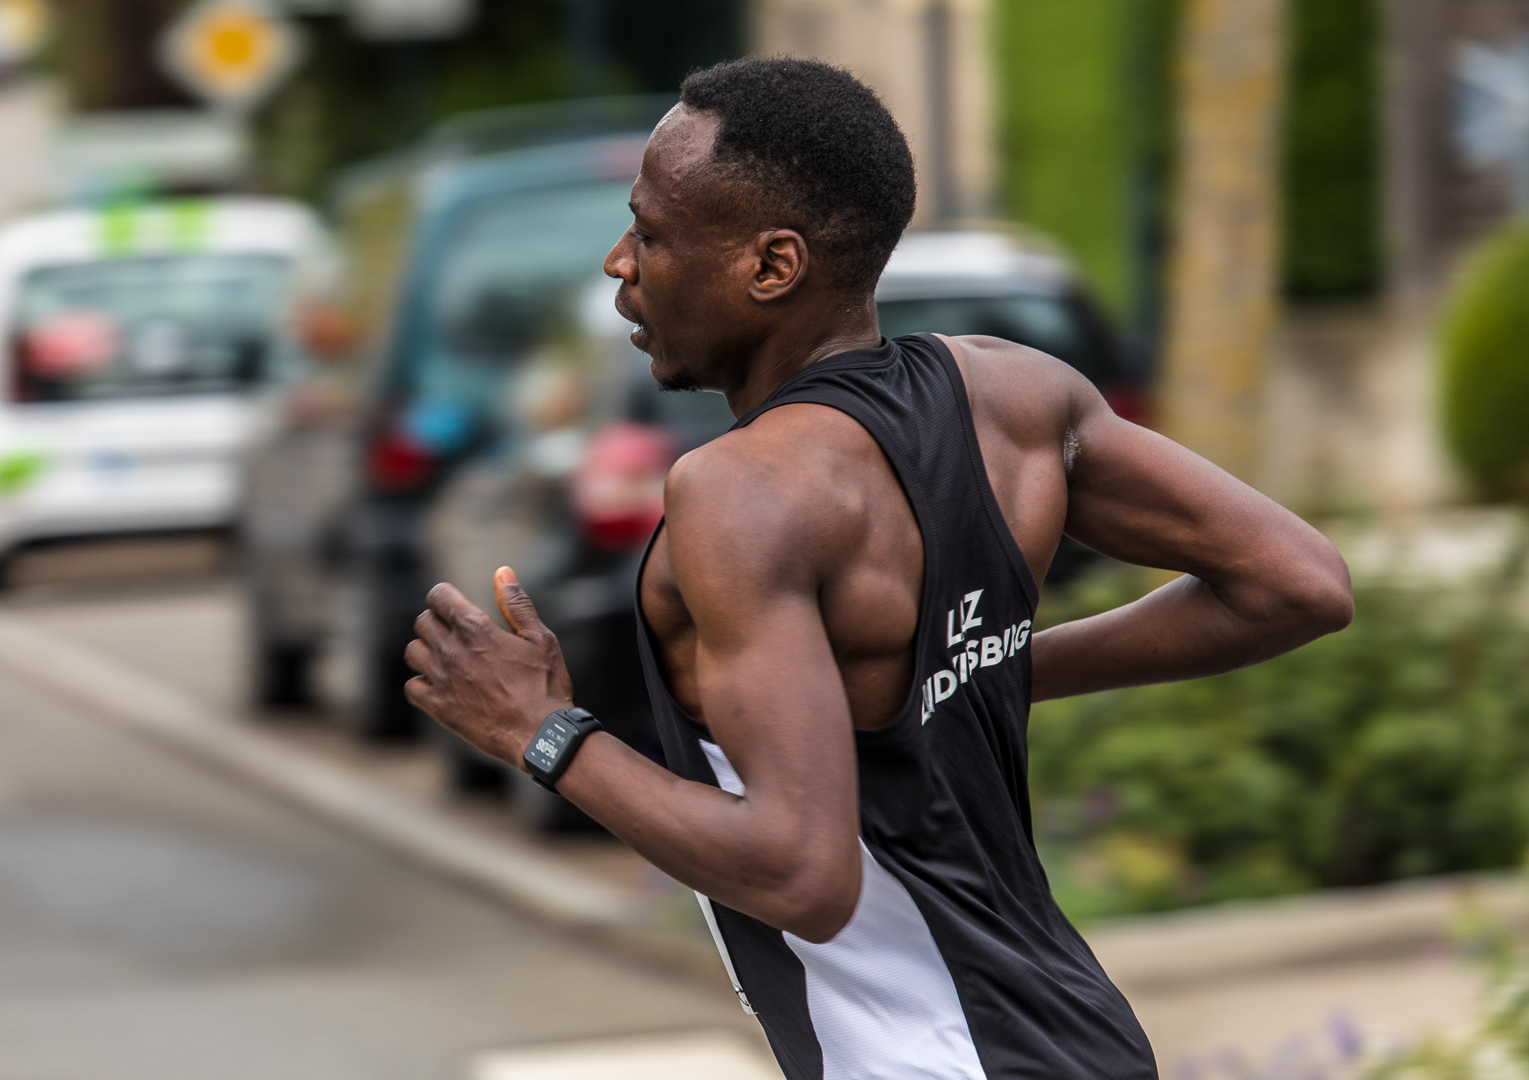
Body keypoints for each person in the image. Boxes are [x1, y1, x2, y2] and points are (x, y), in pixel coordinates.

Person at [403, 56, 1354, 1080]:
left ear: (773, 266)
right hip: (1083, 1039)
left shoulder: (740, 494)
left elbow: (801, 874)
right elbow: (1298, 583)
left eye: (652, 233)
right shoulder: (1016, 398)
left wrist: (542, 732)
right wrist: (985, 668)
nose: (618, 263)